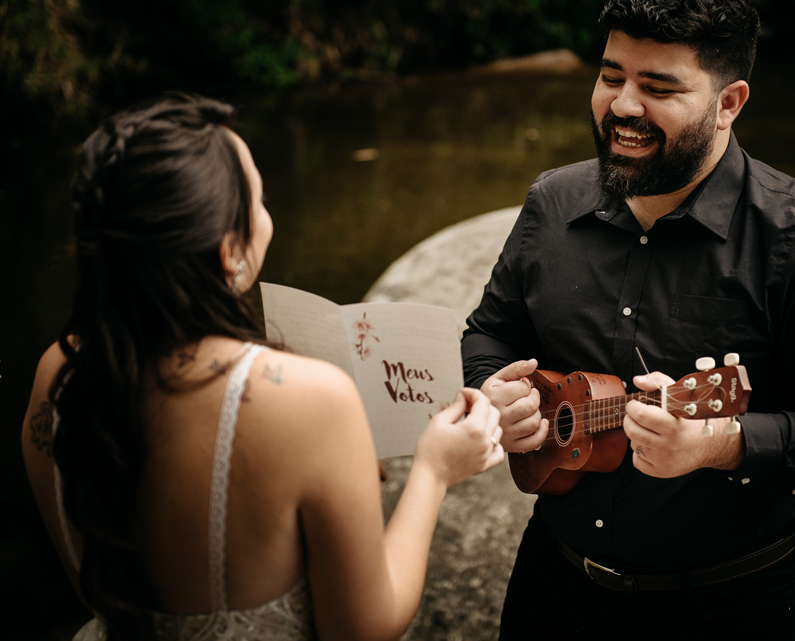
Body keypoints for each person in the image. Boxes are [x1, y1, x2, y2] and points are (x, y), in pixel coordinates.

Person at [461, 1, 795, 639]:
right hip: (551, 582)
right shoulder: (551, 201)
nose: (622, 106)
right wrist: (493, 389)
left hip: (725, 605)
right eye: (612, 76)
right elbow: (491, 332)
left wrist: (724, 445)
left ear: (730, 102)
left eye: (659, 87)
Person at [21, 92, 504, 641]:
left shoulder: (56, 373)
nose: (267, 217)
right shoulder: (306, 398)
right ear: (230, 250)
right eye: (260, 199)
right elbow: (365, 629)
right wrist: (434, 472)